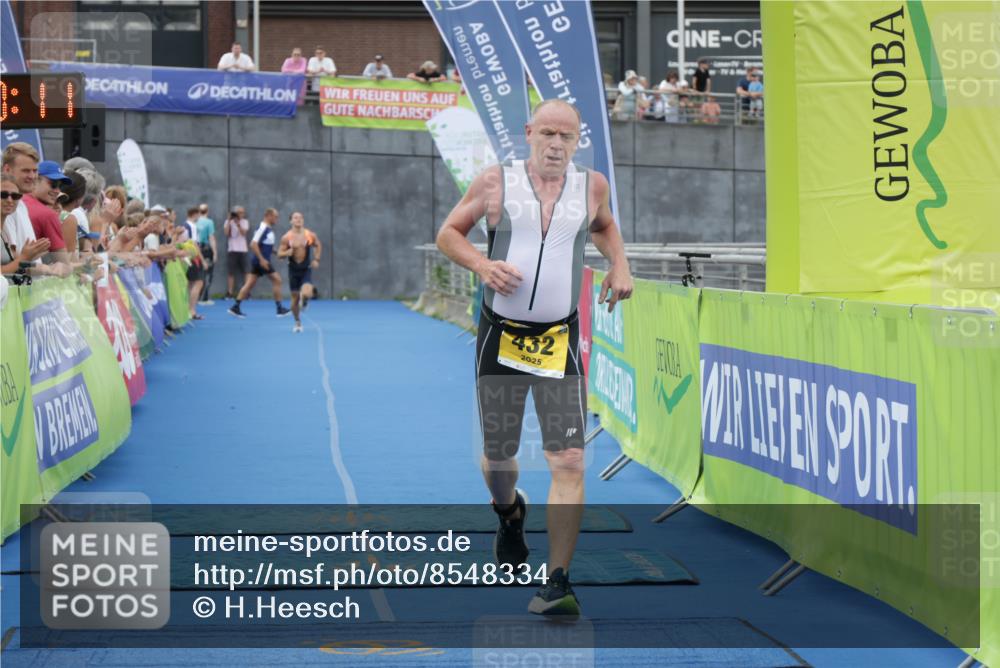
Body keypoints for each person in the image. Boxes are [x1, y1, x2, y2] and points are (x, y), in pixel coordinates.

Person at [436, 99, 633, 617]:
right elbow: (448, 233)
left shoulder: (591, 187)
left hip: (559, 339)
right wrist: (482, 264)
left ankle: (559, 581)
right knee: (499, 457)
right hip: (500, 334)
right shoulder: (494, 182)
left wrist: (620, 265)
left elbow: (605, 226)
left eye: (566, 137)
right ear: (528, 133)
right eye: (547, 133)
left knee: (568, 458)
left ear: (577, 141)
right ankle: (508, 511)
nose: (555, 145)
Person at [228, 207, 291, 319]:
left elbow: (265, 246)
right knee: (277, 280)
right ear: (269, 216)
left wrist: (277, 253)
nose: (277, 219)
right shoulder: (263, 228)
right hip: (261, 262)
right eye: (275, 216)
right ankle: (279, 309)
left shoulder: (268, 229)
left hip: (259, 261)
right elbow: (253, 244)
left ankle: (235, 307)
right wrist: (262, 260)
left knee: (249, 284)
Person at [277, 211, 321, 333]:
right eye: (296, 218)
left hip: (306, 269)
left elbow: (317, 245)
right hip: (293, 270)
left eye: (301, 217)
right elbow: (279, 255)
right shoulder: (287, 237)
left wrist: (316, 259)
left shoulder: (309, 235)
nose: (298, 219)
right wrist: (286, 253)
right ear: (291, 221)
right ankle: (297, 322)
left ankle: (305, 298)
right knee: (294, 302)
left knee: (307, 289)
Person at [1, 175, 50, 278]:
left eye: (15, 196)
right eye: (3, 195)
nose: (10, 200)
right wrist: (24, 257)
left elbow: (15, 265)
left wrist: (31, 256)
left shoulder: (5, 231)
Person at [24, 160, 72, 262]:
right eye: (53, 184)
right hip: (30, 276)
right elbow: (63, 266)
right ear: (36, 180)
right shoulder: (47, 214)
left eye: (60, 186)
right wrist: (87, 265)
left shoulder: (16, 201)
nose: (58, 190)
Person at [224, 206, 249, 298]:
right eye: (239, 212)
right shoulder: (228, 222)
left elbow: (244, 233)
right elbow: (226, 233)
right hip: (232, 249)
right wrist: (229, 221)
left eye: (242, 212)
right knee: (231, 272)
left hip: (243, 249)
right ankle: (230, 292)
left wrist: (238, 224)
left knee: (245, 271)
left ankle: (246, 292)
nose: (241, 214)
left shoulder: (245, 222)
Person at [196, 203, 217, 304]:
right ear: (207, 211)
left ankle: (196, 296)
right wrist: (215, 252)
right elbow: (211, 237)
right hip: (206, 249)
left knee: (198, 272)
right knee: (208, 273)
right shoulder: (209, 222)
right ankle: (204, 297)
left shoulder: (195, 221)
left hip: (196, 248)